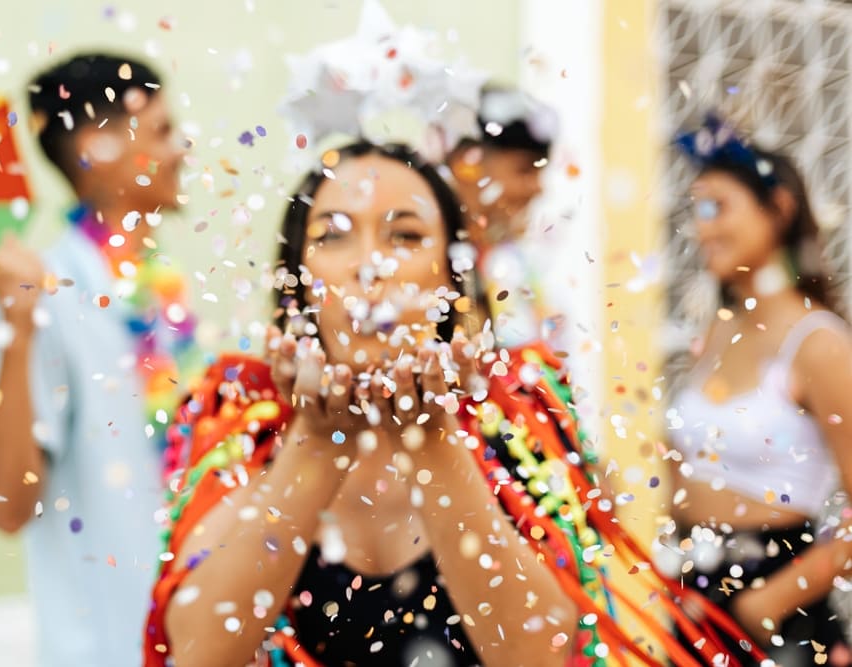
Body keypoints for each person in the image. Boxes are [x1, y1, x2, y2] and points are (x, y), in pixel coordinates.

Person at [144, 142, 764, 667]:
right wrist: (315, 441)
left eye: (405, 235)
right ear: (299, 277)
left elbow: (545, 655)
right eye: (333, 237)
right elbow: (197, 651)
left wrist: (433, 440)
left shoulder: (518, 407)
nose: (369, 266)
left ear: (449, 277)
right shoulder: (240, 411)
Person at [0, 52, 200, 666]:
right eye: (160, 130)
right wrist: (18, 335)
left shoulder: (163, 288)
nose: (182, 147)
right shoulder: (46, 295)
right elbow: (6, 506)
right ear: (98, 149)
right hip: (104, 648)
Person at [661, 113, 852, 666]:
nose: (701, 229)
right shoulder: (721, 328)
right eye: (695, 210)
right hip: (694, 601)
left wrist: (767, 602)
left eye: (717, 207)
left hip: (777, 614)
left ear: (779, 210)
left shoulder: (818, 343)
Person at [446, 86, 565, 350]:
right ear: (468, 164)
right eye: (524, 170)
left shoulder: (516, 264)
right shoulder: (431, 264)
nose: (538, 188)